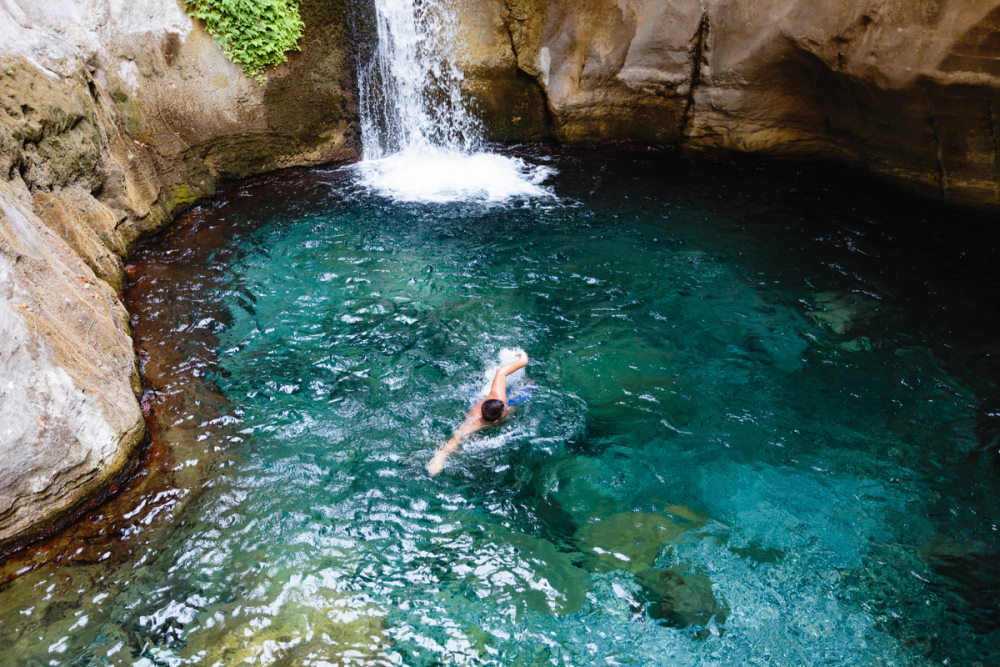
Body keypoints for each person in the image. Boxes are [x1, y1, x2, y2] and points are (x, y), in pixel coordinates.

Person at [426, 350, 529, 476]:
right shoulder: (475, 423)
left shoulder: (497, 395)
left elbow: (501, 372)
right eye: (504, 409)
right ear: (496, 421)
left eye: (504, 406)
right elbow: (455, 440)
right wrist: (439, 460)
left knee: (528, 385)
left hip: (485, 399)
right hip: (486, 421)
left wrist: (523, 360)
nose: (506, 407)